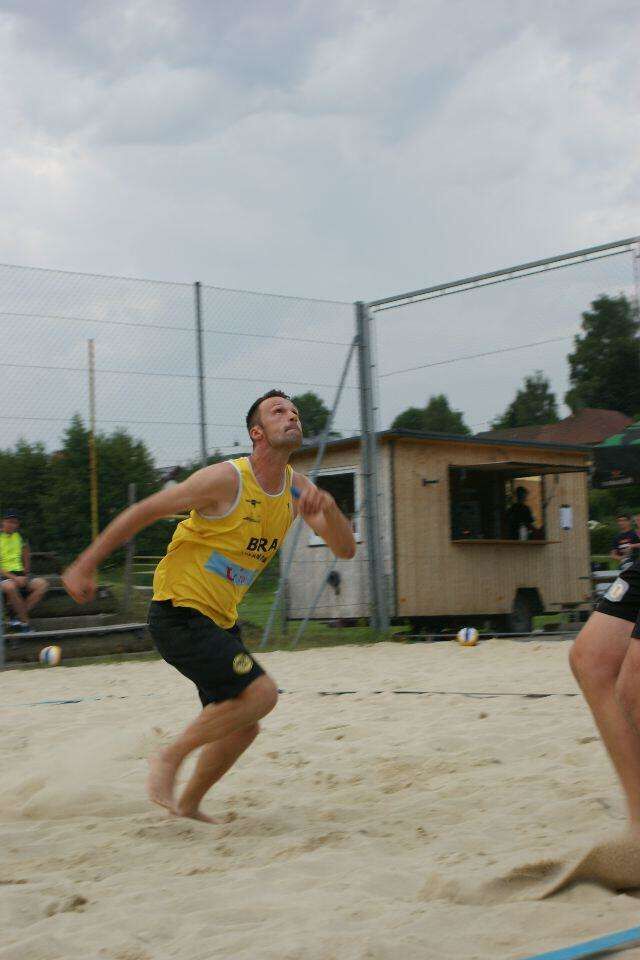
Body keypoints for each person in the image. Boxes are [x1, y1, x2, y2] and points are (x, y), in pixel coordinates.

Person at [63, 390, 356, 822]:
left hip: (219, 620)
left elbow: (345, 549)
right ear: (257, 433)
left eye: (295, 412)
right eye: (278, 411)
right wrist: (85, 564)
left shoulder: (298, 488)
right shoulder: (226, 479)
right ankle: (169, 756)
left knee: (243, 727)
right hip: (179, 612)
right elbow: (145, 511)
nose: (291, 416)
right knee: (262, 694)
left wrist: (329, 510)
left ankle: (188, 806)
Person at [0, 509, 49, 632]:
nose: (12, 525)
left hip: (20, 574)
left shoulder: (20, 537)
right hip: (4, 576)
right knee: (10, 587)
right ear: (3, 522)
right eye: (9, 521)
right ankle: (25, 624)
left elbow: (26, 555)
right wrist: (14, 578)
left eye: (15, 522)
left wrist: (26, 575)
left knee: (42, 585)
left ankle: (15, 617)